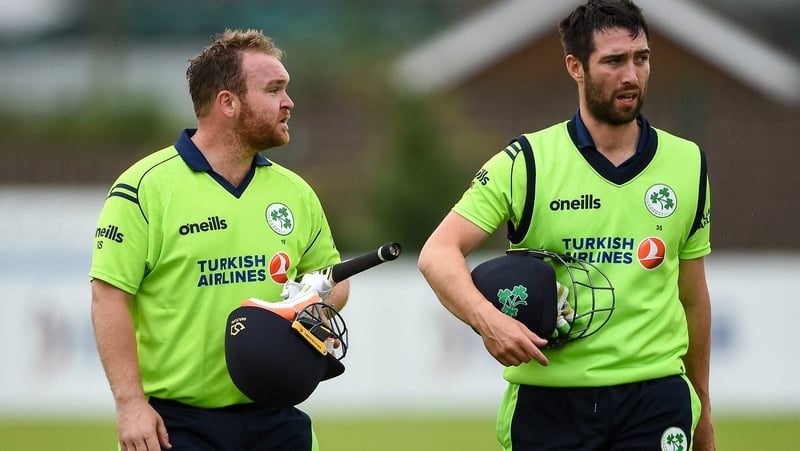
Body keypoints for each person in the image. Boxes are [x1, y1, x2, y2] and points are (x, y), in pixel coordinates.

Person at [417, 1, 715, 449]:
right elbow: (438, 253)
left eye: (642, 59)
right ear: (575, 67)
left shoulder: (688, 162)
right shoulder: (527, 162)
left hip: (657, 398)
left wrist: (704, 409)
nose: (631, 76)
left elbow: (692, 298)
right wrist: (488, 321)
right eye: (613, 61)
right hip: (549, 401)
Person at [89, 29, 349, 451]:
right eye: (274, 90)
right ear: (228, 102)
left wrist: (307, 305)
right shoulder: (144, 189)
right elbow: (109, 296)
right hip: (178, 425)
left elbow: (332, 278)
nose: (289, 103)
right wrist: (130, 403)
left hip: (277, 419)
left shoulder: (295, 191)